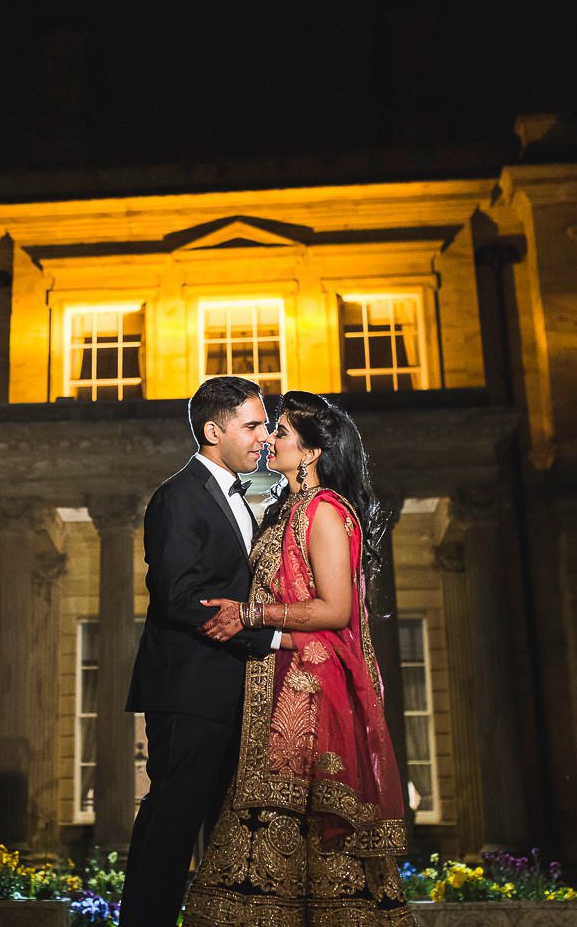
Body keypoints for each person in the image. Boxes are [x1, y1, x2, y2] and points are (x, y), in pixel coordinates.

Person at [184, 390, 414, 926]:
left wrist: (250, 614)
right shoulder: (286, 509)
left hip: (307, 699)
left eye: (280, 432)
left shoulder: (325, 509)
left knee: (306, 832)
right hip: (276, 685)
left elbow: (334, 609)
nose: (269, 438)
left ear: (309, 452)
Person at [119, 376, 284, 927]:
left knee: (224, 822)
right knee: (172, 817)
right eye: (254, 424)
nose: (266, 435)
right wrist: (271, 635)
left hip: (231, 684)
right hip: (188, 687)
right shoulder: (178, 495)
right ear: (214, 431)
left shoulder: (250, 491)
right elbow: (178, 595)